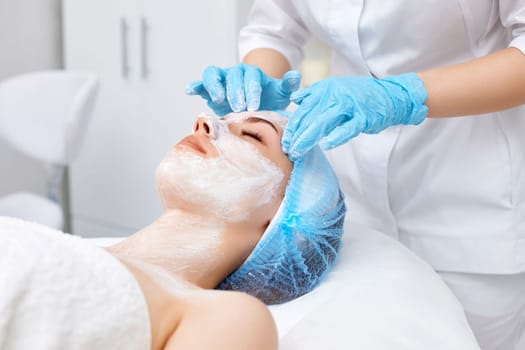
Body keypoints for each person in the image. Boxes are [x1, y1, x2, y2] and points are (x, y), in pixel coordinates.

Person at [186, 2, 525, 349]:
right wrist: (255, 89)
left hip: (469, 210)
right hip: (355, 198)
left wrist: (403, 96)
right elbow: (276, 25)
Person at [0, 111, 346, 350]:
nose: (203, 122)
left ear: (281, 219)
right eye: (222, 119)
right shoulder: (70, 246)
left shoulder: (227, 316)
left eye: (253, 135)